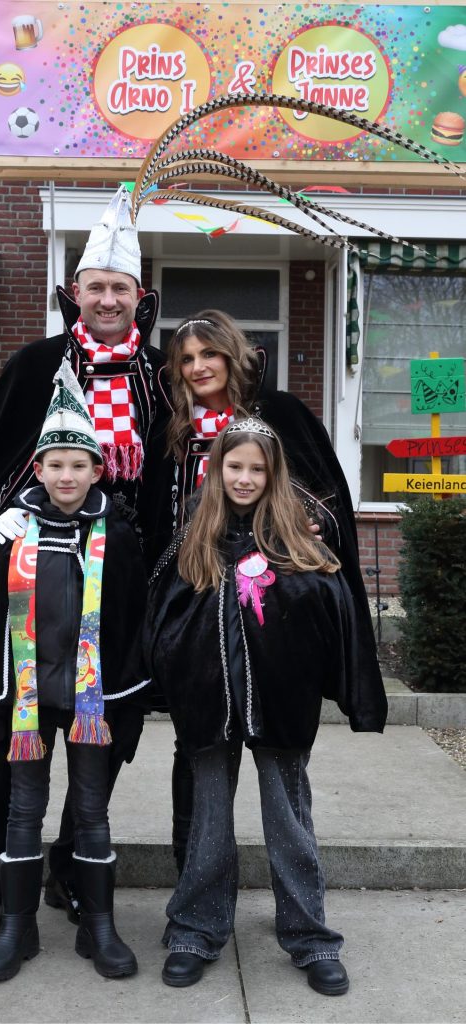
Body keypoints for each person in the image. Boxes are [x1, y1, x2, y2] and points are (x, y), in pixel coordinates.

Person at [0, 186, 173, 958]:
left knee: (100, 743)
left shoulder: (161, 377)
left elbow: (177, 479)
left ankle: (75, 872)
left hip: (117, 593)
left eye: (119, 289)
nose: (107, 300)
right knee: (6, 753)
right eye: (95, 287)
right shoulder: (34, 366)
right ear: (73, 292)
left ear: (139, 298)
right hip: (29, 590)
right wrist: (8, 520)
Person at [144, 419, 387, 994]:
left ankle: (309, 936)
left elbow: (333, 612)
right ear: (217, 470)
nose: (245, 478)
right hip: (208, 706)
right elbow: (162, 616)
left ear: (273, 475)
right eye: (235, 466)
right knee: (208, 821)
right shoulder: (193, 540)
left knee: (288, 820)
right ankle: (196, 929)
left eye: (257, 469)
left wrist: (339, 683)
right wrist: (170, 679)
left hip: (281, 707)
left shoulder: (298, 543)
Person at [161, 309, 378, 875]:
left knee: (277, 751)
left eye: (209, 353)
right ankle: (194, 879)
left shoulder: (277, 413)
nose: (198, 367)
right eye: (187, 359)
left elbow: (323, 495)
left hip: (268, 613)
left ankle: (295, 903)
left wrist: (311, 523)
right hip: (200, 598)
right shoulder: (176, 426)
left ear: (232, 355)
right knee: (198, 746)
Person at [0, 361, 148, 982]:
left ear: (98, 470)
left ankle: (99, 926)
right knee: (21, 811)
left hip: (91, 700)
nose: (67, 476)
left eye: (79, 465)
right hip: (27, 701)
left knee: (92, 811)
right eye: (55, 464)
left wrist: (127, 699)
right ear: (37, 469)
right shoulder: (13, 532)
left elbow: (131, 618)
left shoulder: (119, 535)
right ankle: (18, 927)